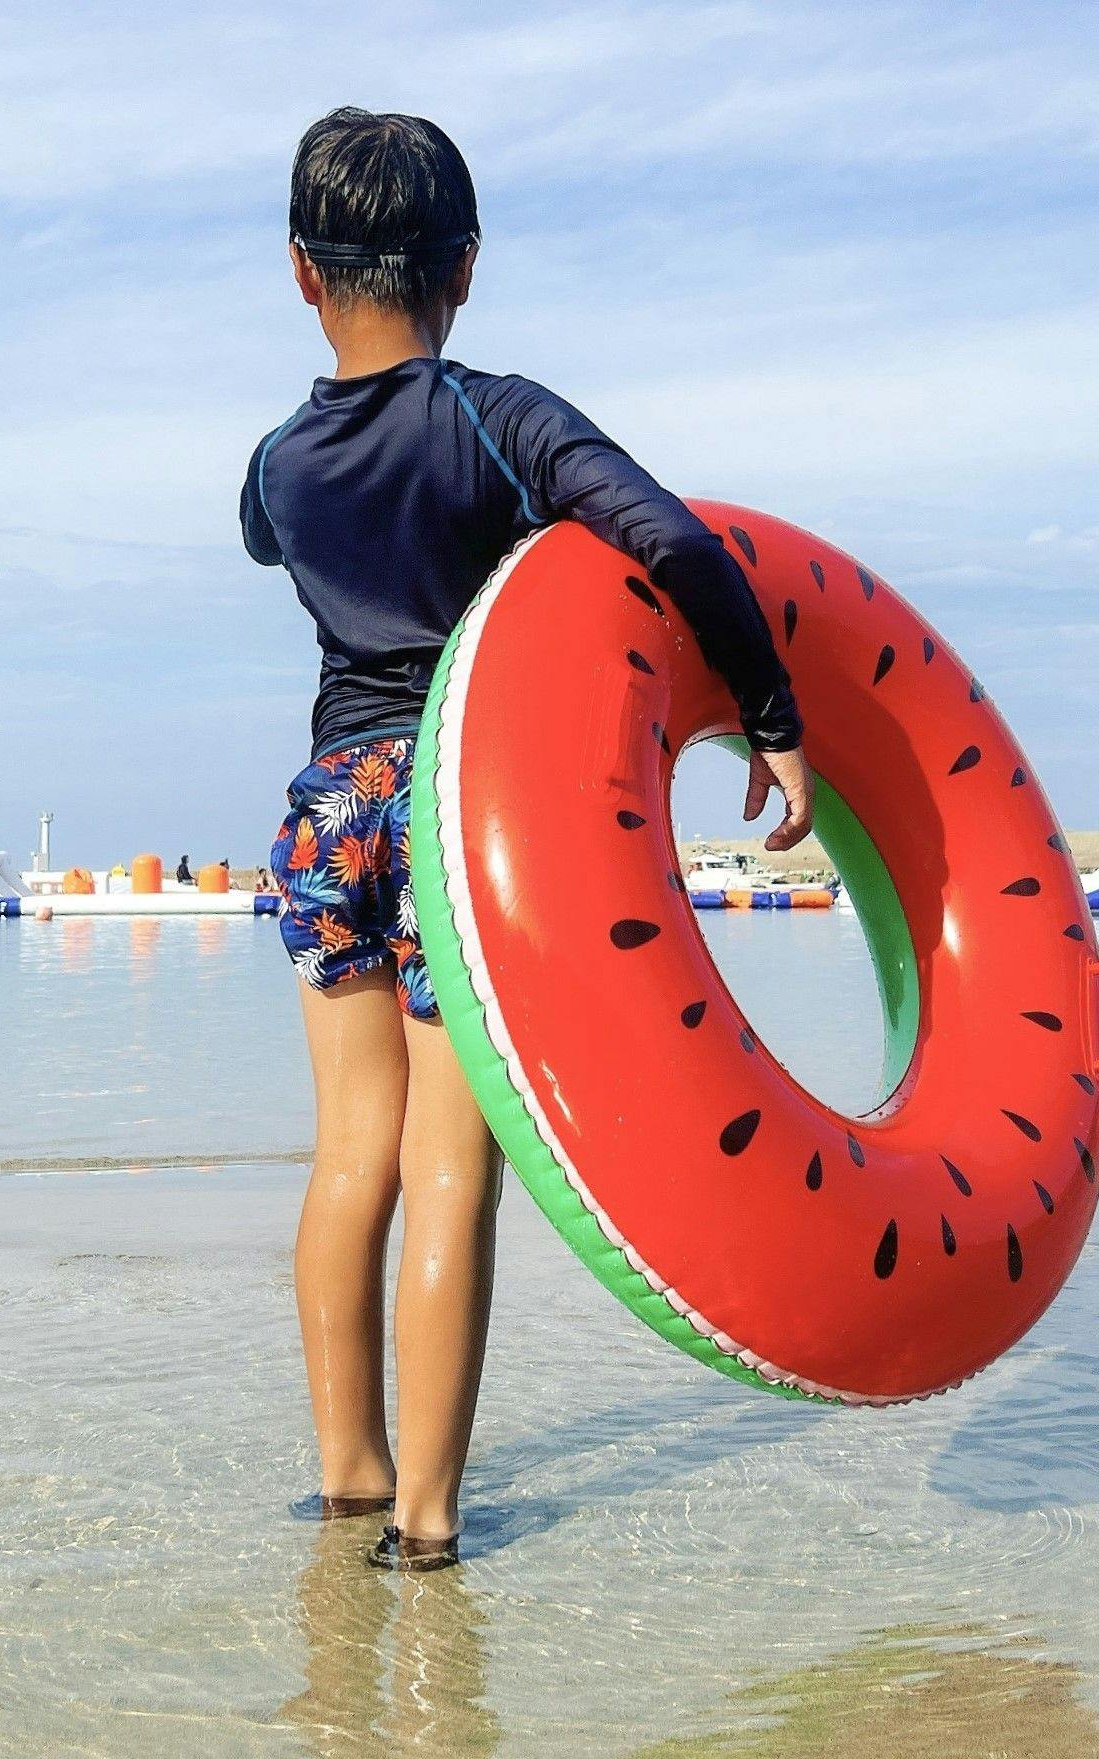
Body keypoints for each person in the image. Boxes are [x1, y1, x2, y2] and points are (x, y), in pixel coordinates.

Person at [241, 108, 811, 1572]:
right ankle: (426, 1523)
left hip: (327, 806)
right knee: (449, 1165)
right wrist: (768, 713)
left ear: (302, 274)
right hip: (451, 804)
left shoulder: (278, 462)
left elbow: (262, 533)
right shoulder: (497, 417)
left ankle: (346, 1475)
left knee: (345, 1154)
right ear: (468, 268)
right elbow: (674, 541)